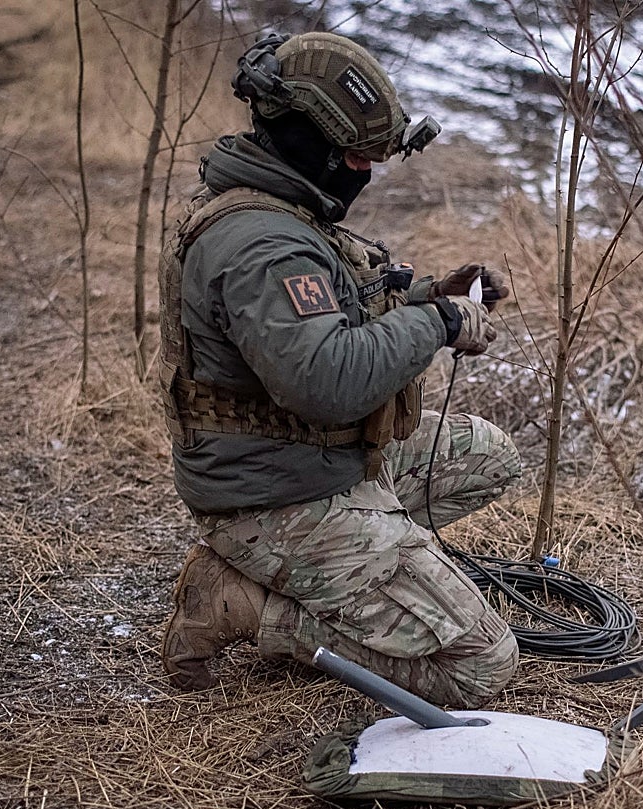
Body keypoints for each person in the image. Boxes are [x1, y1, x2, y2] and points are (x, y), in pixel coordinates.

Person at [157, 31, 521, 708]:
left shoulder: (284, 211)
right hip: (272, 496)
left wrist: (431, 295)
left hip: (314, 460)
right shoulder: (263, 244)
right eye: (354, 156)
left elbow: (332, 317)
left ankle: (363, 565)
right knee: (481, 664)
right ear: (306, 140)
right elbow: (326, 381)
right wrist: (437, 324)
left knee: (490, 456)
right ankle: (242, 604)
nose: (364, 172)